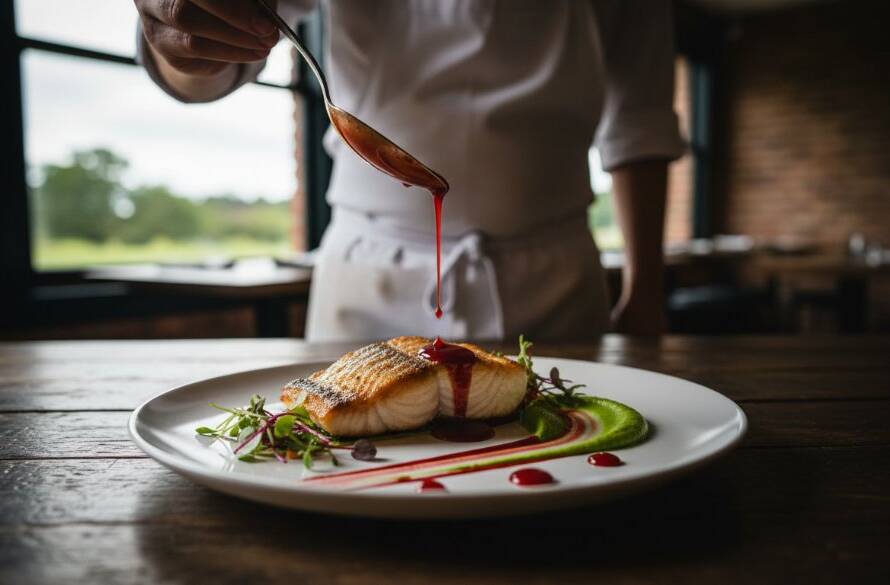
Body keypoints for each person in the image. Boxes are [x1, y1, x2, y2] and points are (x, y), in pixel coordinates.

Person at [134, 0, 684, 341]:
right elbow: (212, 68)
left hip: (556, 286)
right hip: (367, 282)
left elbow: (642, 121)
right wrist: (184, 46)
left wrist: (646, 294)